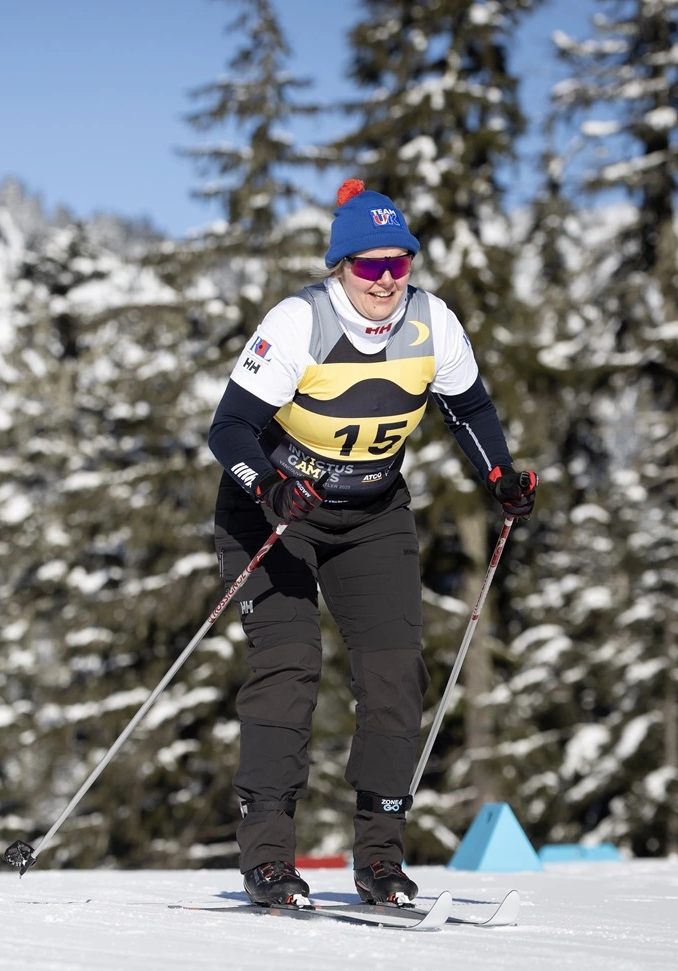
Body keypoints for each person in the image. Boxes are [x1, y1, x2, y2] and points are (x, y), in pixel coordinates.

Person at [206, 179, 537, 908]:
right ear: (341, 266)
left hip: (372, 510)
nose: (386, 280)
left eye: (399, 262)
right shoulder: (301, 321)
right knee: (289, 666)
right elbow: (227, 429)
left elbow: (469, 406)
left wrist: (499, 474)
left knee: (395, 675)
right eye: (369, 265)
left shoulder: (432, 321)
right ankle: (268, 860)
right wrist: (269, 486)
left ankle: (381, 860)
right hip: (275, 512)